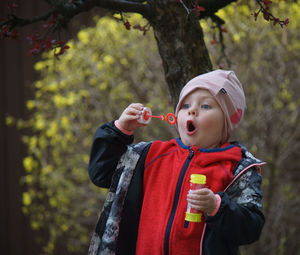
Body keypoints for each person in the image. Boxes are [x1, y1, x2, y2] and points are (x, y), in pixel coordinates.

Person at [88, 69, 265, 255]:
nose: (192, 110)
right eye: (185, 105)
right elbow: (102, 173)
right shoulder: (149, 156)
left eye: (205, 106)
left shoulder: (238, 168)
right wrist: (120, 130)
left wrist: (217, 207)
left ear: (227, 121)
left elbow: (251, 228)